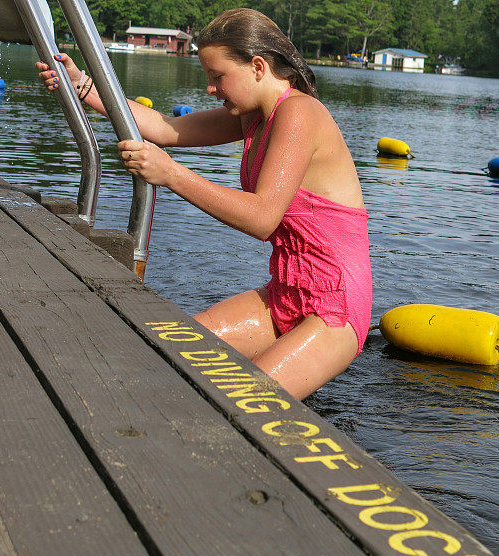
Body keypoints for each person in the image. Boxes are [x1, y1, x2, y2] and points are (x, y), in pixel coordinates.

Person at [37, 8, 372, 400]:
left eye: (217, 76)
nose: (210, 88)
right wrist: (82, 85)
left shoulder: (299, 113)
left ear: (258, 67)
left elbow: (262, 217)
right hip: (287, 290)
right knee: (168, 354)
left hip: (333, 306)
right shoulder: (252, 116)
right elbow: (164, 127)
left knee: (242, 403)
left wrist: (172, 174)